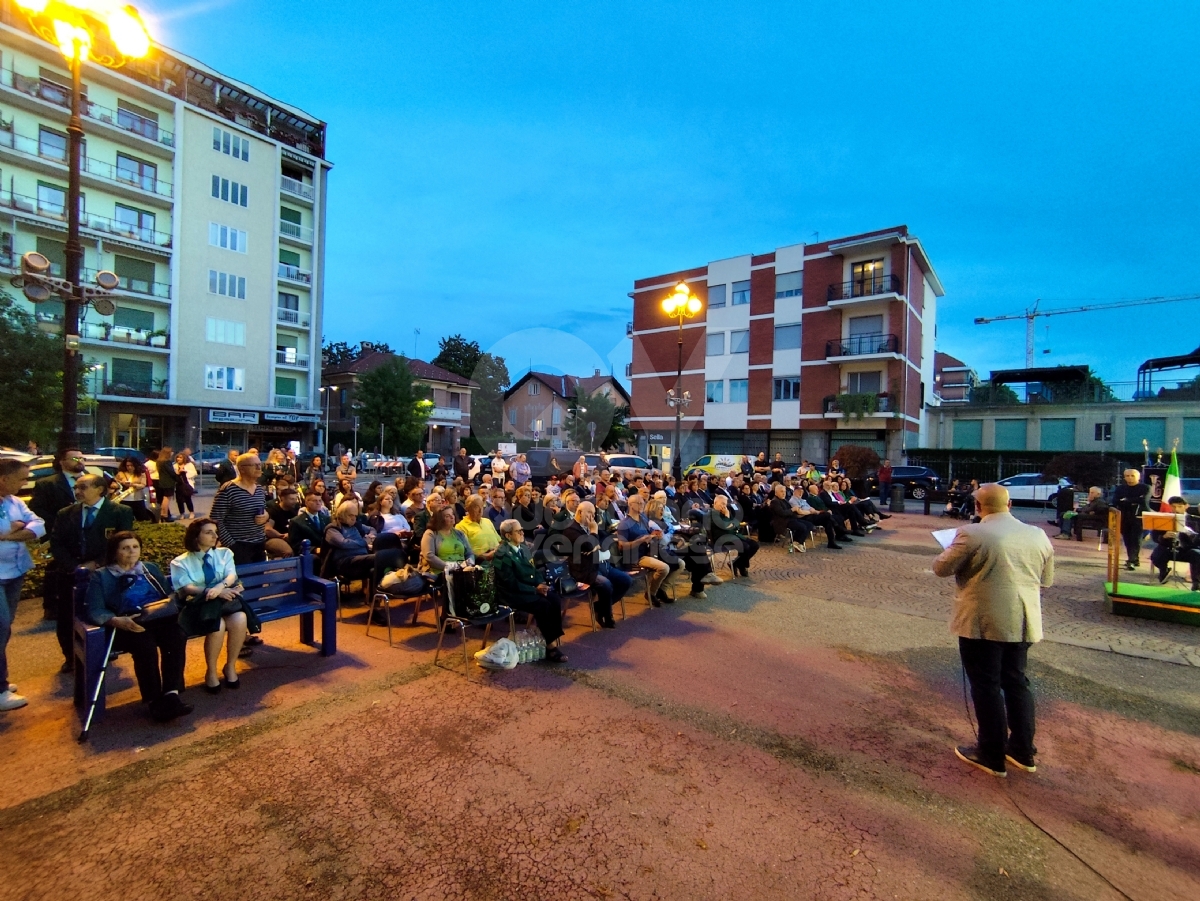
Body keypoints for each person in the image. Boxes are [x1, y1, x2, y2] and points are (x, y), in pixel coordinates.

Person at [933, 483, 1054, 777]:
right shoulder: (1037, 534)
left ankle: (991, 752)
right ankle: (1023, 750)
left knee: (986, 684)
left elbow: (941, 568)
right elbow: (1046, 580)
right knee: (1016, 682)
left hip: (983, 620)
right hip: (1023, 618)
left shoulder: (972, 533)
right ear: (1010, 504)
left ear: (978, 507)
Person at [88, 531, 191, 720]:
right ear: (115, 552)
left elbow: (168, 594)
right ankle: (154, 701)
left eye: (135, 547)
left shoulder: (149, 568)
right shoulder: (101, 576)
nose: (131, 552)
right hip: (126, 624)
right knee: (145, 646)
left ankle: (171, 694)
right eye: (125, 548)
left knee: (176, 636)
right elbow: (95, 609)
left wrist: (170, 602)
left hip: (157, 619)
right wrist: (116, 620)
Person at [48, 474, 134, 670]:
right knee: (68, 616)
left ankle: (105, 651)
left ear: (100, 490)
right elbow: (57, 544)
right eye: (76, 487)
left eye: (83, 487)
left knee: (104, 612)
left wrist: (96, 564)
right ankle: (71, 656)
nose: (78, 491)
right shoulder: (65, 513)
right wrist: (73, 567)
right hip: (71, 575)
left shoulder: (120, 512)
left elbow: (123, 542)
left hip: (105, 573)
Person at [172, 518, 258, 692]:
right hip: (199, 607)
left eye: (215, 532)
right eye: (208, 532)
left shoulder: (224, 553)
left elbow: (231, 576)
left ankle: (230, 666)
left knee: (240, 617)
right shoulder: (180, 562)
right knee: (217, 625)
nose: (215, 536)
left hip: (224, 603)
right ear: (196, 536)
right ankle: (211, 672)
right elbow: (186, 587)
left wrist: (220, 588)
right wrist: (208, 592)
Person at [0, 459, 44, 712]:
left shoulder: (14, 502)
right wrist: (14, 527)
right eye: (21, 478)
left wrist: (7, 533)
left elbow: (38, 526)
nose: (25, 483)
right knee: (0, 627)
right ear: (4, 478)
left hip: (15, 572)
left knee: (4, 630)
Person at [493, 520, 567, 662]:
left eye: (522, 529)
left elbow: (533, 570)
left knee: (555, 599)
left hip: (529, 588)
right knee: (543, 605)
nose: (522, 533)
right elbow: (510, 583)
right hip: (512, 594)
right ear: (508, 536)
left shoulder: (524, 548)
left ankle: (549, 637)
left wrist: (541, 584)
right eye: (518, 531)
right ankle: (551, 647)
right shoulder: (502, 554)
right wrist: (534, 589)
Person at [561, 501, 630, 628]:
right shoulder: (570, 530)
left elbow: (606, 539)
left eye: (593, 513)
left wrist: (594, 542)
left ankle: (600, 607)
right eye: (589, 513)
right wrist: (593, 532)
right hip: (584, 570)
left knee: (626, 580)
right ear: (580, 512)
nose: (592, 516)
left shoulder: (590, 525)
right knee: (606, 584)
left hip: (601, 565)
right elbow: (588, 545)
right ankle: (607, 615)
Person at [210, 454, 270, 565]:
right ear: (241, 468)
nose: (259, 468)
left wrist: (266, 516)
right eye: (254, 465)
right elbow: (215, 519)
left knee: (258, 580)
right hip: (238, 546)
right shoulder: (228, 489)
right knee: (243, 581)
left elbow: (264, 510)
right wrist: (231, 544)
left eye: (259, 464)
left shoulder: (259, 489)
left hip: (259, 544)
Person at [617, 494, 673, 606]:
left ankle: (659, 590)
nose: (643, 505)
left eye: (643, 503)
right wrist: (640, 541)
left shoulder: (642, 517)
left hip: (648, 551)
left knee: (678, 563)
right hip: (635, 557)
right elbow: (622, 546)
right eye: (640, 503)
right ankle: (651, 593)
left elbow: (649, 531)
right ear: (631, 505)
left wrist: (654, 534)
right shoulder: (624, 524)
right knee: (664, 568)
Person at [1149, 496, 1200, 590]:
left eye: (1179, 506)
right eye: (1173, 506)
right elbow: (1155, 536)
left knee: (1197, 554)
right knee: (1156, 555)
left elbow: (1198, 540)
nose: (1176, 509)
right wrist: (1163, 536)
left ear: (1186, 506)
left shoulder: (1195, 520)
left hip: (1187, 549)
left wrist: (1191, 535)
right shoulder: (1164, 518)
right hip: (1168, 547)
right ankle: (1164, 572)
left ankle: (1196, 583)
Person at [323, 500, 377, 584]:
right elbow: (343, 543)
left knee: (379, 563)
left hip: (360, 558)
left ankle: (372, 594)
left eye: (355, 516)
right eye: (351, 515)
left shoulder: (356, 525)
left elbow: (372, 529)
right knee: (378, 557)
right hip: (344, 562)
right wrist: (364, 542)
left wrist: (371, 536)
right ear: (342, 514)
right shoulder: (333, 528)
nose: (354, 518)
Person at [711, 494, 758, 577]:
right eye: (722, 503)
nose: (724, 506)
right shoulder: (713, 514)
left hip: (734, 535)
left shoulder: (726, 511)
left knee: (754, 545)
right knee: (745, 546)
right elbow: (725, 526)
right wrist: (727, 516)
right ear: (715, 503)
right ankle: (742, 566)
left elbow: (736, 523)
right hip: (722, 538)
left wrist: (731, 522)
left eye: (725, 504)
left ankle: (735, 563)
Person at [1113, 469, 1149, 570]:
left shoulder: (1145, 487)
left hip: (1139, 517)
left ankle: (1132, 560)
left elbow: (1143, 500)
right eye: (1127, 476)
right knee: (1127, 539)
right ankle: (1133, 559)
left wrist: (1126, 500)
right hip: (1124, 516)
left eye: (1132, 475)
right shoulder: (1120, 488)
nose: (1129, 478)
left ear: (1138, 477)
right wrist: (1132, 500)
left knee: (1136, 539)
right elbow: (1115, 501)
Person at [420, 506, 474, 573]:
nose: (452, 517)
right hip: (441, 572)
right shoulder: (430, 534)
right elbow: (429, 556)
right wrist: (450, 566)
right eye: (447, 516)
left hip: (462, 571)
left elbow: (469, 553)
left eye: (452, 514)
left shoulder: (459, 533)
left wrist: (469, 564)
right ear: (440, 519)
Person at [457, 494, 501, 563]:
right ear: (467, 508)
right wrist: (485, 556)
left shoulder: (487, 521)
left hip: (498, 559)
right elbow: (463, 552)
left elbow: (499, 541)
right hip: (480, 562)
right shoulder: (461, 527)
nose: (480, 511)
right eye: (476, 507)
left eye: (482, 506)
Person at [288, 489, 331, 555]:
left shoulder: (326, 519)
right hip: (309, 554)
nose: (318, 503)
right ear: (306, 502)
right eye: (315, 501)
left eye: (320, 500)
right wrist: (314, 549)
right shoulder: (296, 522)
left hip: (326, 551)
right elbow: (295, 545)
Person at [264, 487, 301, 558]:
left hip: (291, 536)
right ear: (282, 499)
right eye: (291, 499)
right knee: (288, 551)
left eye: (295, 499)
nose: (294, 501)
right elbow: (268, 530)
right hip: (274, 538)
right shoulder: (273, 511)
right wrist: (281, 535)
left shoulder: (294, 510)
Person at [114, 457, 154, 522]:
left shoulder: (141, 474)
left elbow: (143, 485)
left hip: (137, 499)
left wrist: (133, 485)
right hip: (124, 498)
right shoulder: (121, 473)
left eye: (131, 465)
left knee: (141, 518)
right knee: (125, 518)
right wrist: (122, 483)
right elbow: (116, 483)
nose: (129, 467)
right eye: (127, 465)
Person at [172, 452, 197, 520]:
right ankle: (182, 513)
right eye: (177, 457)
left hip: (187, 484)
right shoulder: (174, 465)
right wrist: (178, 472)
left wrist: (185, 471)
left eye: (180, 457)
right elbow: (174, 475)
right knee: (179, 500)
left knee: (188, 499)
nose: (178, 459)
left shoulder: (189, 465)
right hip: (179, 485)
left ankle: (191, 512)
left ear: (184, 458)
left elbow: (194, 473)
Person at [154, 449, 177, 521]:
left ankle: (163, 514)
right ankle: (165, 514)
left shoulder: (159, 461)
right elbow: (171, 472)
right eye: (171, 452)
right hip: (168, 482)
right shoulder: (167, 462)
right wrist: (178, 478)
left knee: (163, 498)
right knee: (167, 498)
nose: (172, 453)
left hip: (161, 481)